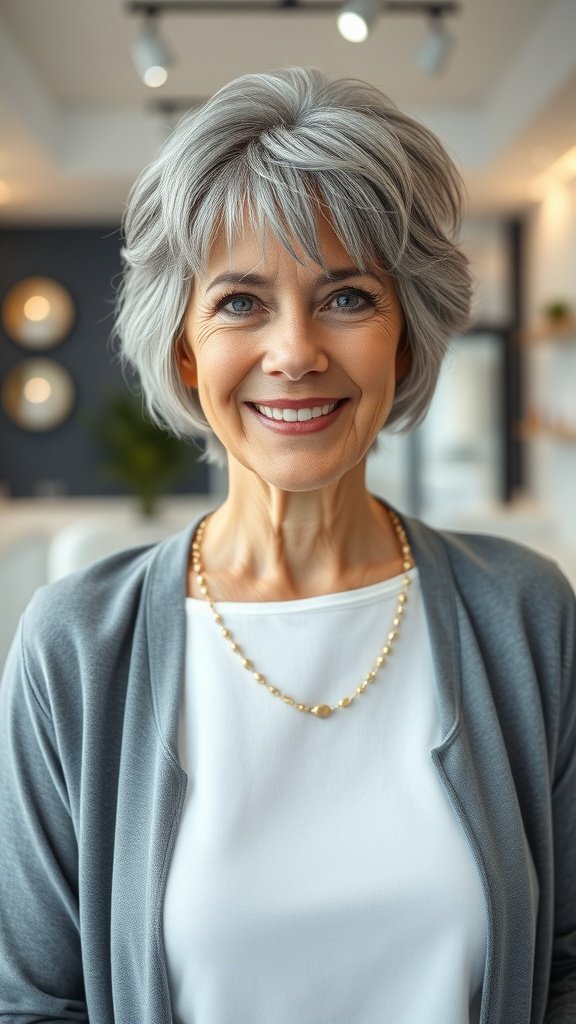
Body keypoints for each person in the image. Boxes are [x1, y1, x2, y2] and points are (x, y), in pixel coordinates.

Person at [0, 66, 574, 1024]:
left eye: (347, 297)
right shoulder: (73, 650)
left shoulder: (526, 615)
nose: (296, 350)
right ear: (185, 349)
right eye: (239, 302)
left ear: (407, 338)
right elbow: (33, 1004)